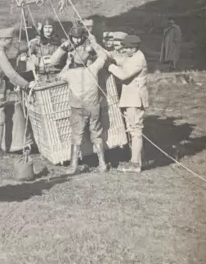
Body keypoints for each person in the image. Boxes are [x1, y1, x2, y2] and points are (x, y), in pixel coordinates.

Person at [0, 27, 33, 157]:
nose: (11, 43)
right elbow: (11, 74)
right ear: (4, 40)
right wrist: (27, 84)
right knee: (0, 117)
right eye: (10, 40)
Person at [58, 34, 108, 174]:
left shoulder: (70, 73)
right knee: (96, 133)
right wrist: (94, 41)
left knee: (76, 134)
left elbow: (58, 77)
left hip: (77, 108)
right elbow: (103, 56)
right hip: (93, 106)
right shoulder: (93, 69)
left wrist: (67, 65)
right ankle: (102, 164)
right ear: (88, 60)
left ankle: (73, 165)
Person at [108, 35, 148, 173]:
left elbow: (123, 75)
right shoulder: (133, 56)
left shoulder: (138, 59)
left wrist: (109, 66)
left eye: (125, 48)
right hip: (130, 98)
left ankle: (135, 164)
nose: (123, 50)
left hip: (135, 100)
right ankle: (139, 158)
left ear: (134, 48)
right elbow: (121, 61)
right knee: (132, 129)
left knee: (135, 130)